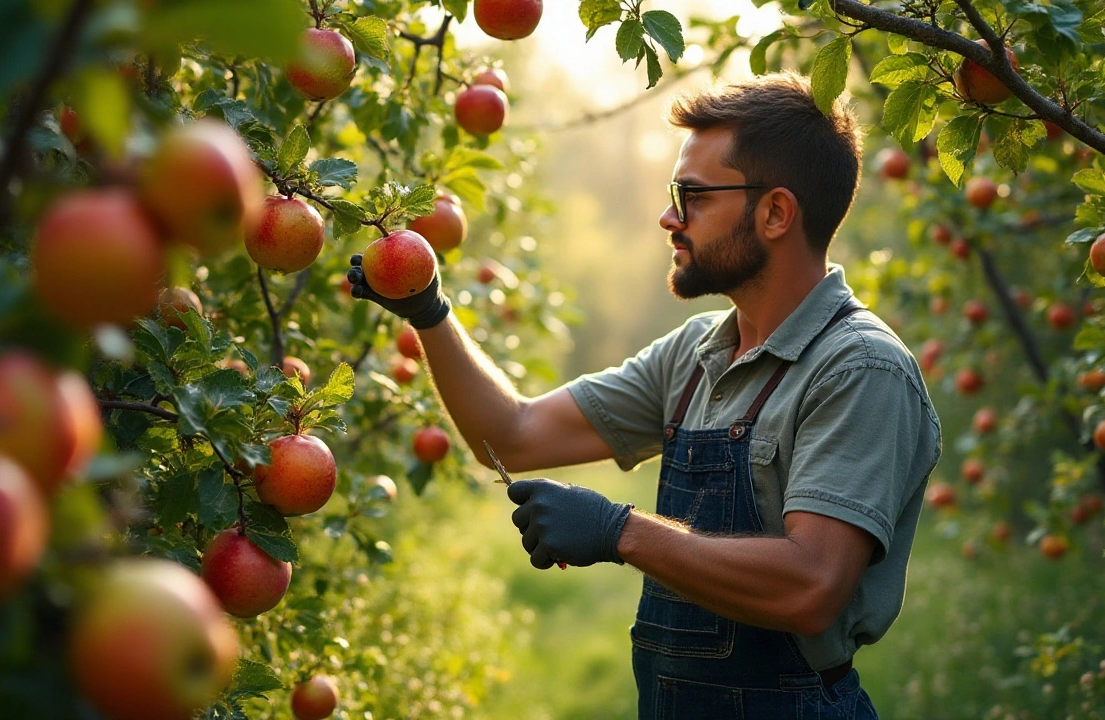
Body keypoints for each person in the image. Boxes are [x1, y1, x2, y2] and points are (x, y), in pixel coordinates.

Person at [346, 71, 941, 719]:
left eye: (691, 196)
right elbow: (512, 435)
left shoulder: (859, 367)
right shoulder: (694, 355)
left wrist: (620, 531)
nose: (668, 217)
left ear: (774, 212)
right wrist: (430, 312)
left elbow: (811, 587)